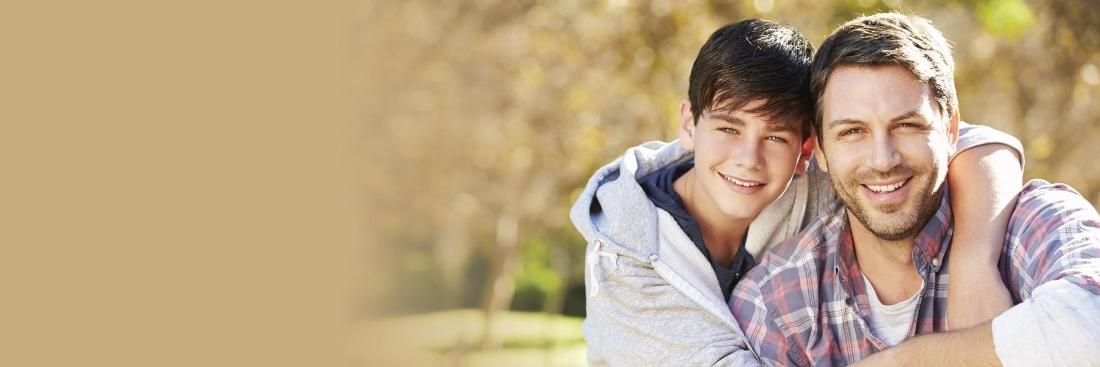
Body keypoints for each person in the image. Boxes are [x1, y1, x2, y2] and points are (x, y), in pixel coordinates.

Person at [571, 18, 1025, 366]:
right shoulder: (628, 262)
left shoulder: (818, 177)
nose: (748, 158)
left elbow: (969, 143)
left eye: (775, 137)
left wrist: (973, 260)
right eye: (729, 127)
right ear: (689, 123)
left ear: (808, 148)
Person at [730, 12, 1100, 366]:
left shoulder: (1030, 225)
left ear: (951, 131)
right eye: (852, 132)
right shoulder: (777, 302)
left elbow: (1091, 325)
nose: (882, 159)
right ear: (820, 151)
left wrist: (907, 359)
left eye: (907, 125)